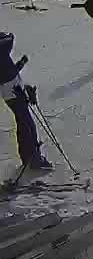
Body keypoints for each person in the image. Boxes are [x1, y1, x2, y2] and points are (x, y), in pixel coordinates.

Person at [1, 33, 51, 170]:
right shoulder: (2, 52)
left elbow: (10, 71)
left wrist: (21, 64)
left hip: (12, 94)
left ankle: (27, 156)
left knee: (23, 125)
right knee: (28, 126)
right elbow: (8, 41)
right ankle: (34, 159)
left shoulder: (3, 58)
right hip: (14, 94)